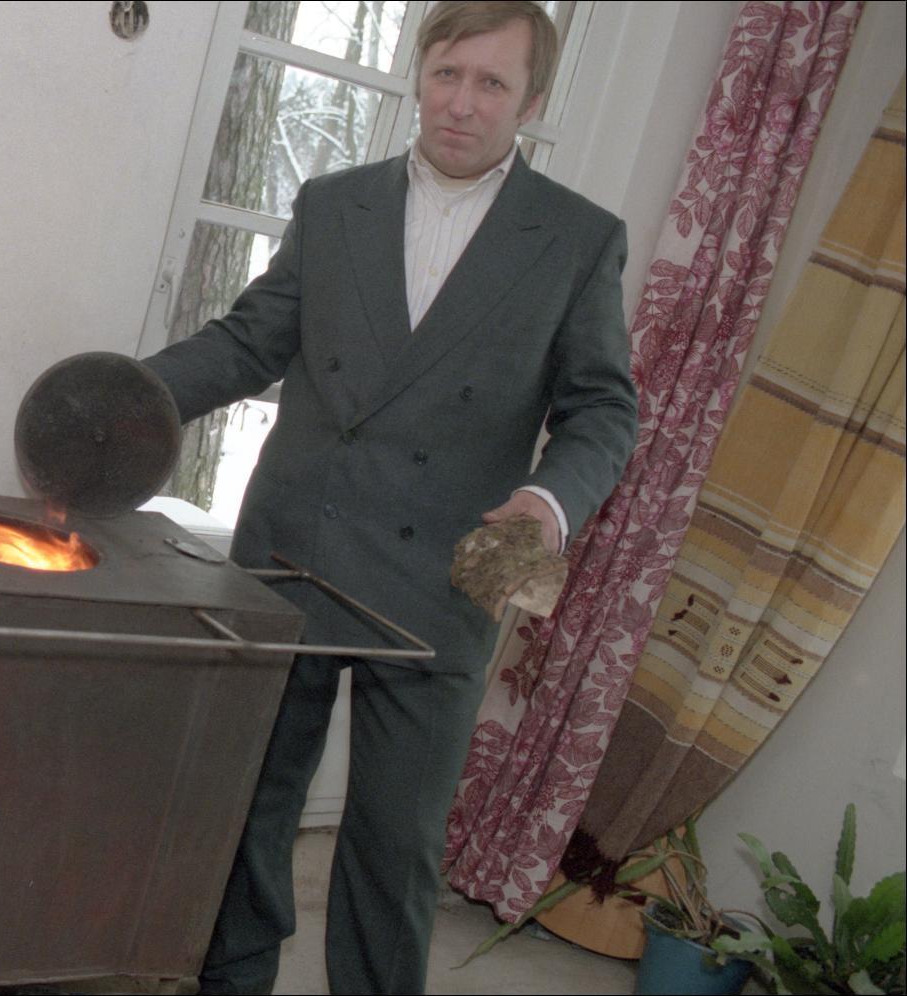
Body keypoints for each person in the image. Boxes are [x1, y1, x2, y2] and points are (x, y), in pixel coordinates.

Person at [139, 3, 639, 992]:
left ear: (531, 102)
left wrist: (547, 503)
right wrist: (131, 397)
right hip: (292, 548)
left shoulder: (578, 239)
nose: (461, 103)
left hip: (443, 576)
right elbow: (248, 342)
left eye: (491, 83)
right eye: (447, 73)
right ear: (420, 74)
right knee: (249, 809)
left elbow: (602, 409)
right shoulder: (335, 205)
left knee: (395, 842)